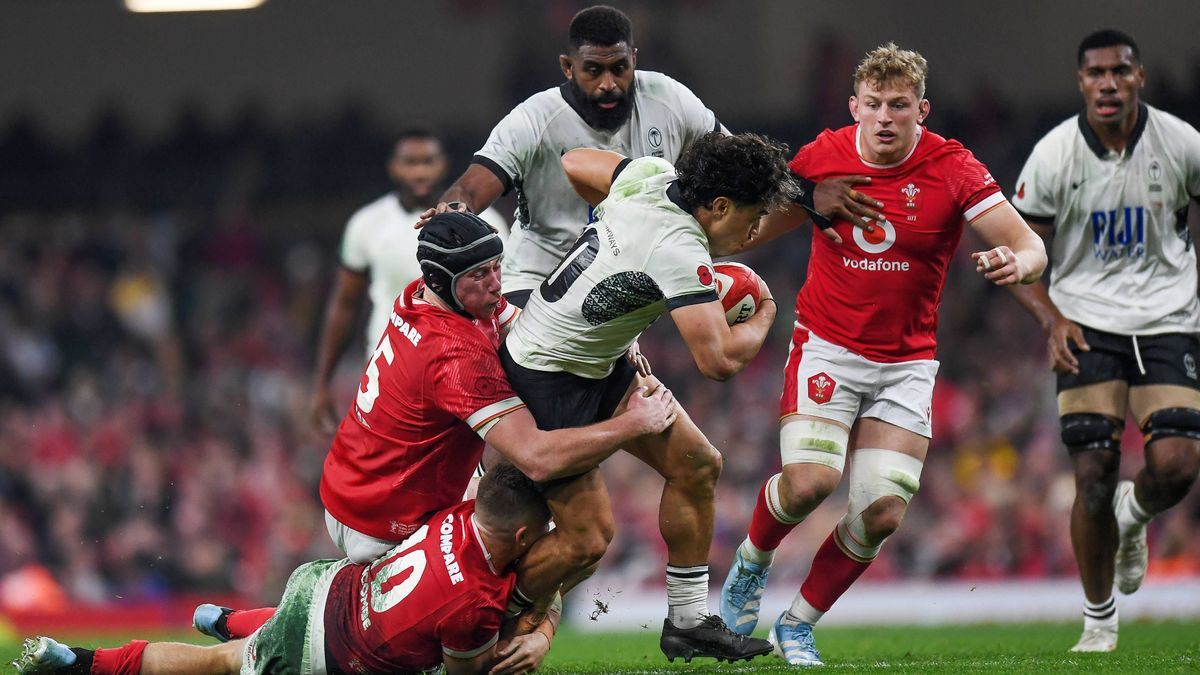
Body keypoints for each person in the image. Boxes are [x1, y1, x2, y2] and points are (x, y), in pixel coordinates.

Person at [192, 212, 677, 654]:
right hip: (384, 522)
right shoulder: (455, 355)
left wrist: (608, 343)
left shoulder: (421, 296)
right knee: (437, 620)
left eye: (496, 267)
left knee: (556, 535)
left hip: (361, 488)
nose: (495, 285)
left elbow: (517, 322)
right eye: (479, 275)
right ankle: (503, 633)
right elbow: (538, 458)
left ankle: (236, 621)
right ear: (444, 280)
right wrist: (632, 422)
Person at [718, 43, 1047, 666]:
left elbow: (1029, 245)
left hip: (906, 364)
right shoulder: (822, 156)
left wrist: (1017, 260)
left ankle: (798, 623)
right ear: (854, 108)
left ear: (922, 110)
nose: (886, 117)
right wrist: (804, 203)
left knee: (883, 512)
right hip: (828, 347)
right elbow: (756, 230)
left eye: (900, 105)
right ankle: (751, 562)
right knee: (812, 482)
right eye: (874, 105)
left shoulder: (954, 168)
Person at [500, 131, 793, 663]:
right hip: (549, 375)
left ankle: (685, 622)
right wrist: (768, 311)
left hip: (593, 356)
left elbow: (575, 161)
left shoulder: (649, 176)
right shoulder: (679, 248)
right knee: (587, 541)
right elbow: (720, 362)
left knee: (697, 465)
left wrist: (611, 250)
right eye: (751, 217)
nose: (753, 232)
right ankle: (494, 616)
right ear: (719, 205)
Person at [1008, 29, 1200, 653]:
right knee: (1092, 475)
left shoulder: (1180, 143)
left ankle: (1134, 514)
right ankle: (1099, 620)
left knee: (1176, 466)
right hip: (1087, 321)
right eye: (1096, 74)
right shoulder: (1055, 154)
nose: (1109, 83)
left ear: (1140, 76)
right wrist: (1050, 318)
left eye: (1121, 71)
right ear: (1082, 82)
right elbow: (1019, 248)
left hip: (1169, 315)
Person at [16, 464, 561, 675]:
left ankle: (227, 618)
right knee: (222, 666)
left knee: (259, 633)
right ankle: (81, 662)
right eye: (542, 533)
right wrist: (541, 633)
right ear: (519, 537)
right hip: (320, 644)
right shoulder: (474, 603)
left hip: (324, 582)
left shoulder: (462, 510)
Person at [424, 4, 725, 308]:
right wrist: (455, 209)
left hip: (617, 288)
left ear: (633, 59)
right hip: (535, 284)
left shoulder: (668, 98)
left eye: (619, 68)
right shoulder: (535, 119)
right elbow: (472, 186)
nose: (608, 84)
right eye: (593, 71)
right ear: (568, 67)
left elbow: (733, 159)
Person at [310, 131, 509, 434]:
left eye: (428, 161)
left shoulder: (483, 224)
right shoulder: (367, 224)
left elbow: (500, 297)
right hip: (392, 376)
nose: (420, 171)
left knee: (466, 474)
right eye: (410, 162)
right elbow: (345, 305)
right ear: (393, 167)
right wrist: (322, 382)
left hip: (464, 372)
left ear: (443, 165)